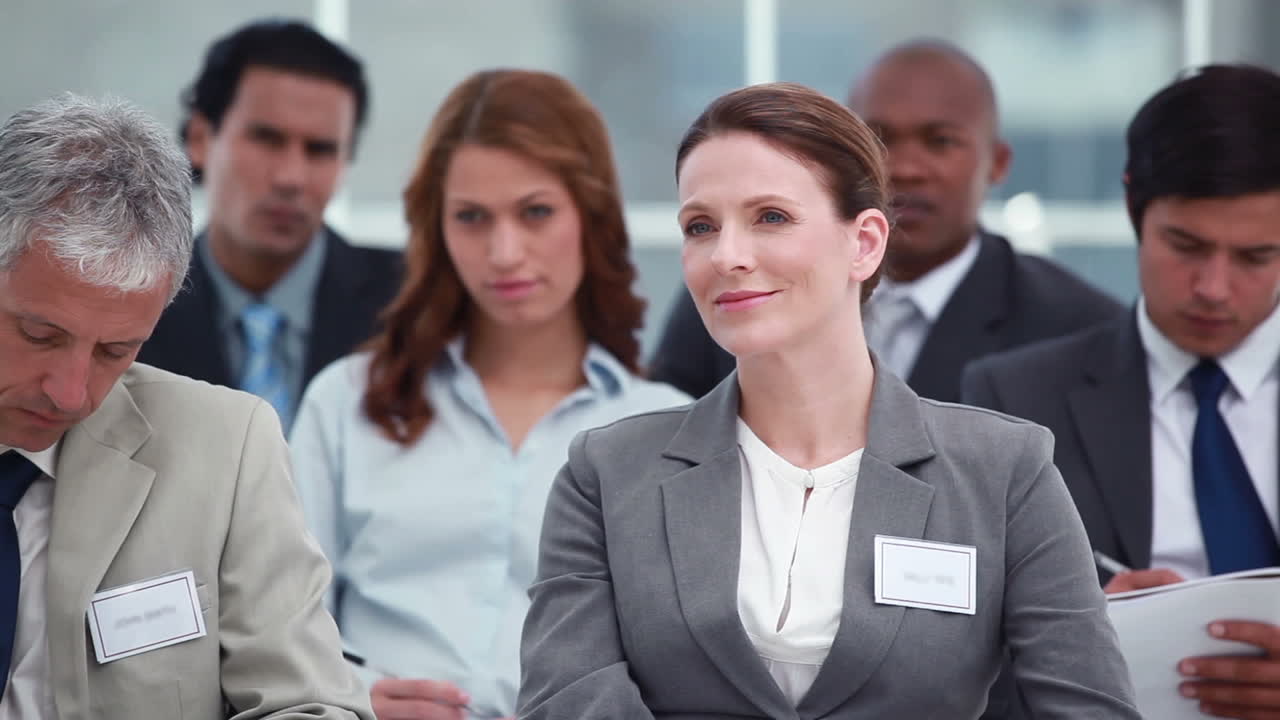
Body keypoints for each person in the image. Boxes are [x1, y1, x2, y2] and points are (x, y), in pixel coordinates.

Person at [516, 82, 1138, 719]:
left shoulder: (1005, 473)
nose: (726, 256)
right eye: (700, 226)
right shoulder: (606, 473)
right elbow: (568, 701)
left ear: (865, 243)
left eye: (771, 217)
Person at [289, 69, 690, 720]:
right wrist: (353, 698)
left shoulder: (668, 427)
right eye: (471, 218)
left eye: (535, 212)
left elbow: (685, 665)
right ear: (436, 228)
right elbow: (275, 628)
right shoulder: (344, 403)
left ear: (590, 215)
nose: (504, 253)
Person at [0, 95, 372, 718]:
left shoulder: (225, 448)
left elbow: (311, 705)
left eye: (116, 350)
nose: (70, 392)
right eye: (40, 335)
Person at [963, 64, 1280, 720]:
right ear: (1135, 206)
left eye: (1256, 257)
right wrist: (1069, 638)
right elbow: (946, 659)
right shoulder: (1014, 398)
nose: (1215, 287)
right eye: (1185, 246)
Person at [648, 40, 1120, 402]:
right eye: (879, 138)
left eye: (940, 141)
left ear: (996, 163)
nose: (905, 167)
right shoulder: (740, 290)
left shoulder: (1079, 327)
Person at [137, 19, 401, 431]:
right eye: (266, 139)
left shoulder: (414, 303)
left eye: (320, 149)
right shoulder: (129, 306)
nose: (291, 177)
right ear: (201, 138)